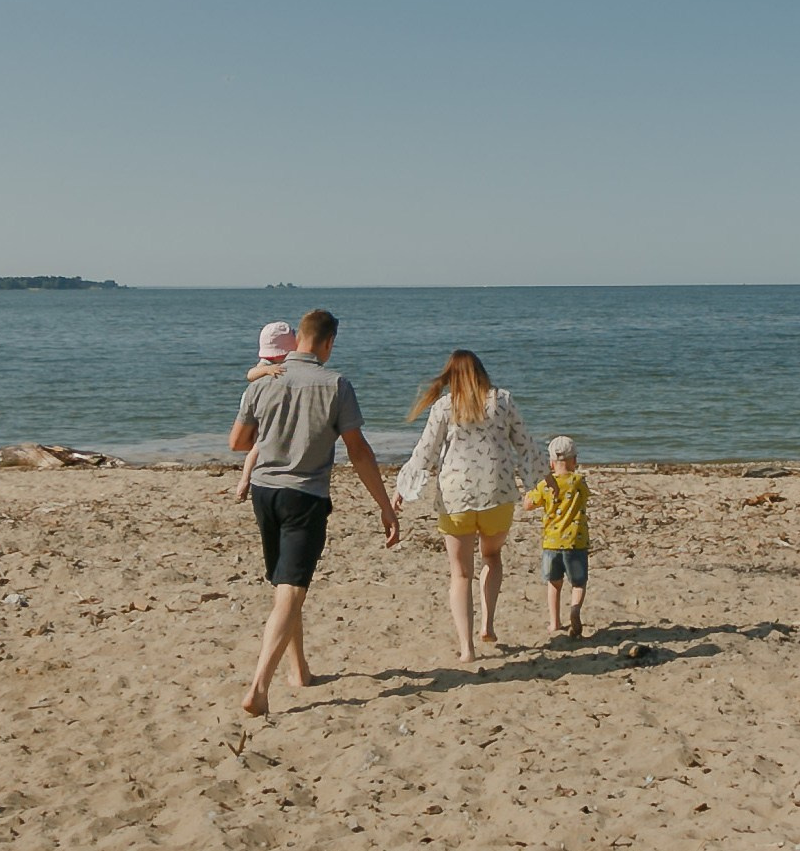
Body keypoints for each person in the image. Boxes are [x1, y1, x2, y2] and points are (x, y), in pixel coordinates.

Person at [229, 307, 399, 716]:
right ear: (328, 343)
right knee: (291, 587)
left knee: (287, 585)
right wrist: (385, 506)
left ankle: (299, 671)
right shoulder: (335, 384)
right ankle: (258, 685)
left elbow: (238, 441)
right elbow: (358, 451)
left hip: (265, 492)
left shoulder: (264, 381)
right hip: (304, 494)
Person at [392, 349, 544, 662]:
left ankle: (466, 648)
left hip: (455, 500)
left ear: (451, 377)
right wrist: (545, 480)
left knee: (460, 575)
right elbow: (526, 444)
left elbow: (425, 452)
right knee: (492, 556)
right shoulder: (502, 400)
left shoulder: (444, 407)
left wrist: (402, 490)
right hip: (497, 496)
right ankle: (487, 625)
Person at [523, 433, 590, 638]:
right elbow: (586, 496)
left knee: (554, 583)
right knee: (578, 582)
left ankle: (554, 622)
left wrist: (531, 490)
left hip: (551, 543)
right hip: (576, 542)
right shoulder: (578, 481)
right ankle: (575, 609)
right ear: (575, 461)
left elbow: (527, 505)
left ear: (551, 463)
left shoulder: (545, 485)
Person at [235, 323, 297, 502]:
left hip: (261, 404)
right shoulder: (267, 364)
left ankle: (250, 477)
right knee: (258, 446)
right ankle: (245, 480)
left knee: (259, 444)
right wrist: (267, 370)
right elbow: (250, 374)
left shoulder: (280, 363)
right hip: (256, 403)